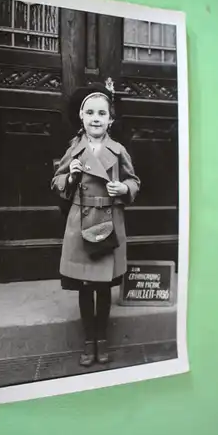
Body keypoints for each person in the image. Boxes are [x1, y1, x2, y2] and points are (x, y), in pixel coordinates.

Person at [51, 82, 140, 367]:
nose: (96, 118)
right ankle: (88, 341)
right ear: (81, 117)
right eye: (90, 112)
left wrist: (124, 190)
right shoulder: (74, 150)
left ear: (111, 119)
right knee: (85, 288)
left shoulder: (118, 150)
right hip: (81, 225)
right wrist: (72, 176)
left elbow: (134, 180)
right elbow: (57, 182)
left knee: (103, 288)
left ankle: (102, 340)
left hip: (108, 224)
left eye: (102, 113)